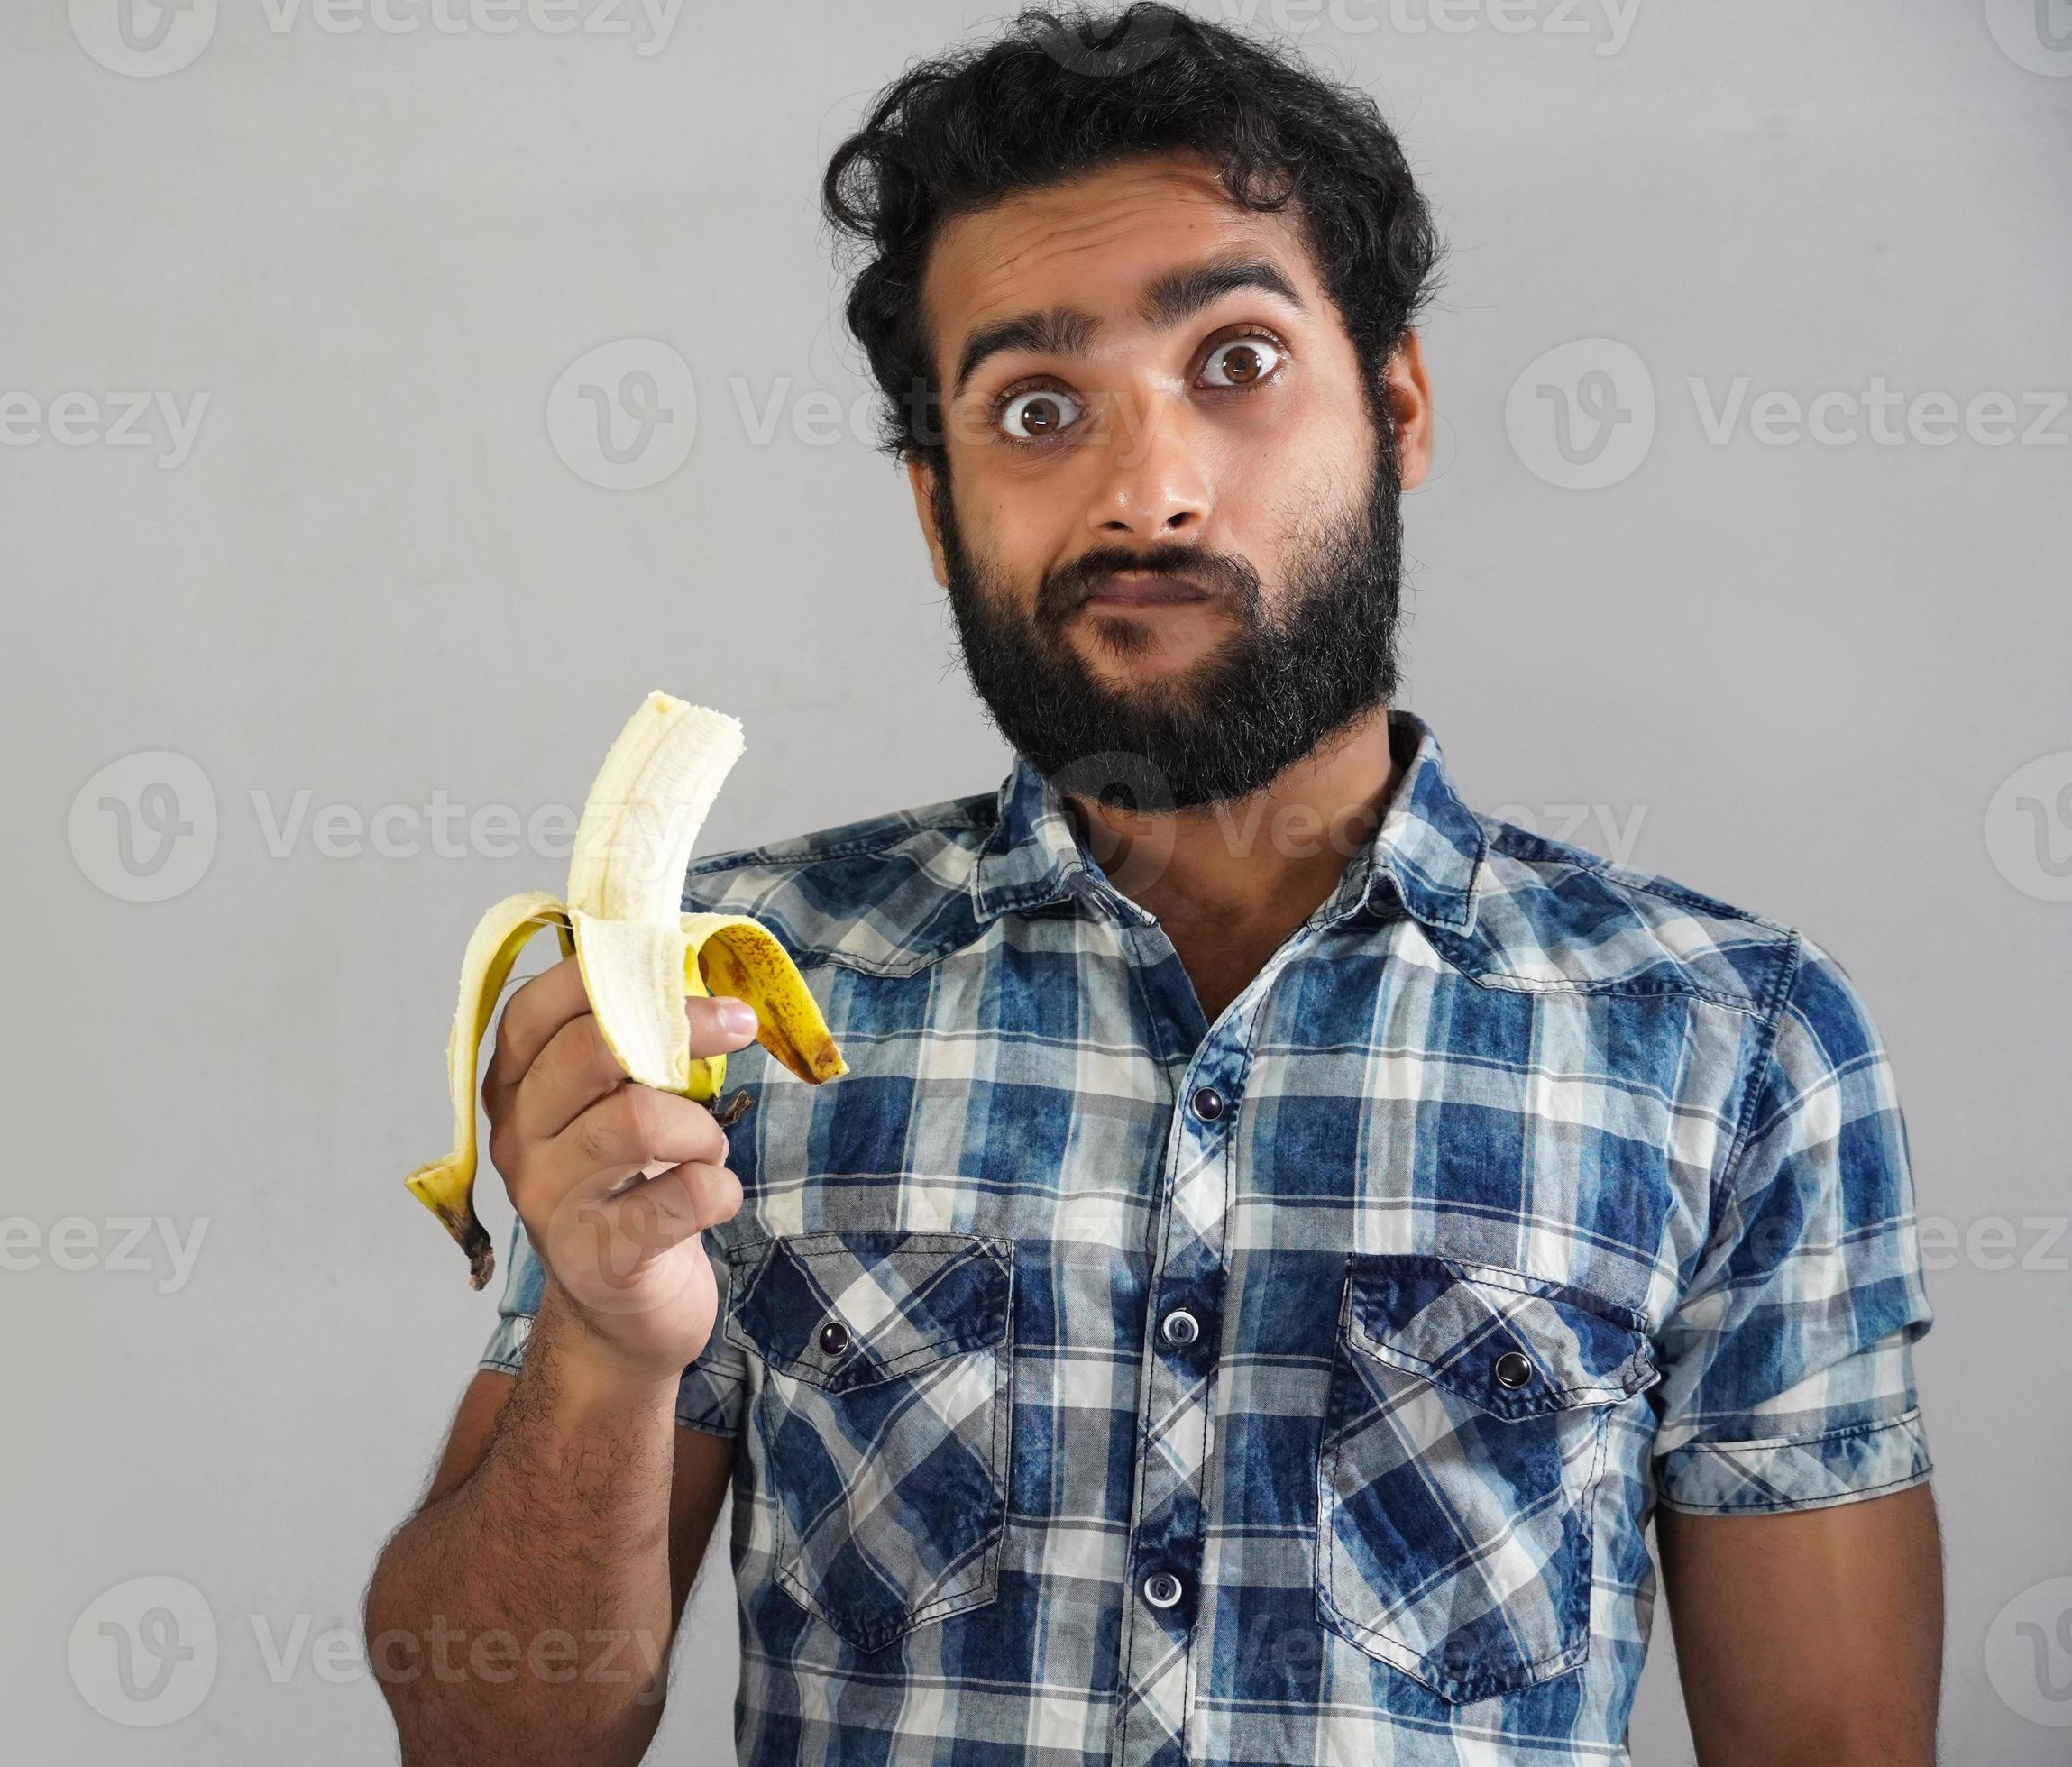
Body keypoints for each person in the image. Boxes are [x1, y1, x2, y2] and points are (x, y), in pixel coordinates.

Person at [364, 7, 1941, 1762]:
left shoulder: (1732, 1045)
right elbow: (483, 1728)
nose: (1150, 491)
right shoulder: (731, 1001)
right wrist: (601, 1333)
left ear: (1396, 404)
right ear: (935, 503)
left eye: (1238, 363)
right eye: (1036, 407)